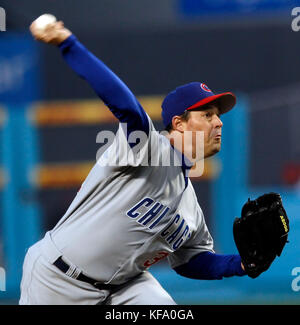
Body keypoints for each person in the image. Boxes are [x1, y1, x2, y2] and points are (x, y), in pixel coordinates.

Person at [19, 18, 246, 305]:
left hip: (125, 286)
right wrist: (68, 44)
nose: (219, 123)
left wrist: (240, 264)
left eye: (219, 115)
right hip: (58, 281)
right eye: (208, 115)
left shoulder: (189, 204)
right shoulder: (148, 149)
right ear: (179, 124)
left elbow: (193, 260)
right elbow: (127, 107)